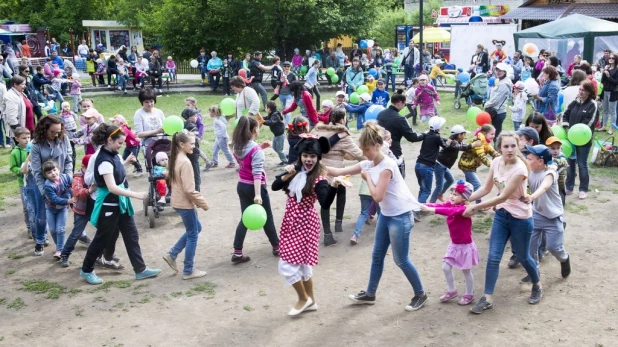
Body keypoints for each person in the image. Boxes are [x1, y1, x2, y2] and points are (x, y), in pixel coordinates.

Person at [327, 121, 427, 311]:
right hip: (387, 216)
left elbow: (377, 196)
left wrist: (366, 179)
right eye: (363, 150)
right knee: (377, 256)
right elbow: (339, 171)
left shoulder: (387, 166)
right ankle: (370, 294)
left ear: (377, 146)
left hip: (400, 217)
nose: (365, 154)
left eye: (367, 150)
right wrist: (317, 166)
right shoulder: (367, 163)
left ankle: (421, 294)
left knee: (401, 260)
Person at [80, 124, 161, 285]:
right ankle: (86, 270)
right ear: (109, 140)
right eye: (119, 143)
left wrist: (125, 164)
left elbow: (116, 173)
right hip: (109, 206)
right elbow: (112, 187)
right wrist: (136, 195)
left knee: (132, 236)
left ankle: (140, 269)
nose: (121, 145)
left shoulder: (114, 155)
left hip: (121, 205)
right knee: (101, 239)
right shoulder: (103, 160)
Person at [272, 135, 343, 316]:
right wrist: (288, 173)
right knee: (303, 266)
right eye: (305, 155)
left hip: (305, 224)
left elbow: (325, 204)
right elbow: (274, 186)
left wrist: (333, 185)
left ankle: (303, 299)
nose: (308, 159)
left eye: (312, 156)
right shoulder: (295, 172)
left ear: (318, 158)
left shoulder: (318, 180)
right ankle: (311, 302)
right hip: (291, 222)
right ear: (300, 156)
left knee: (287, 265)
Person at [161, 131, 210, 280]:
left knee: (195, 228)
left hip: (178, 201)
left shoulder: (176, 158)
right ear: (182, 144)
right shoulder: (185, 162)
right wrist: (203, 203)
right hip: (184, 203)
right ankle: (188, 270)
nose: (194, 147)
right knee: (193, 234)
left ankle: (172, 254)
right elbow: (189, 190)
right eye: (192, 144)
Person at [231, 116, 280, 263]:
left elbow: (246, 159)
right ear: (253, 130)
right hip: (255, 187)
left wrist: (261, 148)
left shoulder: (236, 146)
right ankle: (277, 246)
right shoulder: (256, 150)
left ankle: (237, 252)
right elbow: (256, 173)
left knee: (245, 219)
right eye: (257, 126)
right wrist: (258, 194)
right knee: (268, 218)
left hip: (242, 186)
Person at [421, 180, 479, 306]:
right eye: (451, 193)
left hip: (465, 246)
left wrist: (431, 210)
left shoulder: (463, 209)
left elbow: (449, 212)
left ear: (464, 198)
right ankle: (452, 291)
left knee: (466, 271)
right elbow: (441, 206)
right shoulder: (451, 204)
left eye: (456, 194)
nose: (451, 196)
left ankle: (469, 294)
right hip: (454, 245)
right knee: (445, 267)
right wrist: (426, 205)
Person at [521, 145, 571, 283]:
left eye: (529, 158)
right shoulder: (529, 172)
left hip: (553, 218)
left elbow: (545, 186)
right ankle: (534, 271)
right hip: (536, 215)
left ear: (540, 161)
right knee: (530, 248)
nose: (526, 159)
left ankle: (564, 258)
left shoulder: (550, 173)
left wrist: (531, 197)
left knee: (553, 247)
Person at [315, 108, 365, 246]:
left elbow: (338, 152)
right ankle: (337, 225)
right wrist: (375, 158)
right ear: (342, 119)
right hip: (336, 171)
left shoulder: (320, 130)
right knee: (339, 193)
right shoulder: (342, 134)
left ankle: (328, 232)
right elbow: (358, 154)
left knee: (324, 201)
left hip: (319, 170)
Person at [29, 116, 73, 256]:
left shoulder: (63, 138)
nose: (56, 134)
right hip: (42, 183)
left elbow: (68, 160)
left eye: (59, 131)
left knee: (68, 209)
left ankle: (75, 237)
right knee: (42, 214)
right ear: (44, 129)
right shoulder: (36, 144)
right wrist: (45, 192)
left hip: (62, 182)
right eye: (53, 131)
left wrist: (67, 178)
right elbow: (36, 170)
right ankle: (40, 240)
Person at [563, 80, 598, 200]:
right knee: (570, 163)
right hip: (570, 139)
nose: (581, 92)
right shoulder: (574, 102)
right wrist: (567, 127)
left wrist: (576, 132)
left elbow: (590, 121)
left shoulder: (592, 104)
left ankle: (583, 189)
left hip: (584, 141)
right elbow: (565, 114)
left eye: (584, 90)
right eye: (580, 89)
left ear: (589, 92)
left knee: (582, 164)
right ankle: (569, 186)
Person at [377, 91, 424, 178]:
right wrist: (424, 135)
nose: (404, 106)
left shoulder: (380, 114)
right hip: (394, 151)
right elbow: (412, 137)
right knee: (398, 180)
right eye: (404, 104)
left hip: (379, 150)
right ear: (399, 103)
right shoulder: (400, 119)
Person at [59, 154, 94, 267]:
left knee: (105, 231)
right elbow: (77, 192)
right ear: (83, 167)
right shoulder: (78, 177)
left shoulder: (97, 174)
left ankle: (103, 254)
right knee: (76, 234)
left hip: (95, 209)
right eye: (89, 168)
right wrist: (89, 191)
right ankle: (64, 255)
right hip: (82, 211)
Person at [430, 125, 479, 203]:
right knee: (439, 186)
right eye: (464, 134)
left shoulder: (457, 141)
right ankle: (431, 203)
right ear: (459, 135)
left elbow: (463, 145)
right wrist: (473, 145)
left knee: (450, 179)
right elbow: (461, 147)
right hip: (439, 165)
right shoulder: (453, 142)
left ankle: (439, 194)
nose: (465, 136)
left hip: (444, 166)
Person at [42, 160, 74, 259]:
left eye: (54, 170)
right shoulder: (48, 185)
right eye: (49, 172)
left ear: (59, 169)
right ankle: (60, 246)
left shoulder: (66, 178)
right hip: (51, 209)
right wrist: (69, 200)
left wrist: (75, 199)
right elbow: (55, 199)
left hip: (62, 209)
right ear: (45, 175)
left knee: (60, 229)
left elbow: (73, 187)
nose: (53, 173)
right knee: (52, 230)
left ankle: (60, 250)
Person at [458, 124, 500, 198]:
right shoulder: (479, 143)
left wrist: (503, 159)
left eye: (494, 134)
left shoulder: (485, 142)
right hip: (467, 166)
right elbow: (482, 157)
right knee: (477, 185)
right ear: (484, 134)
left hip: (471, 166)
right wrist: (493, 165)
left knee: (468, 186)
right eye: (492, 134)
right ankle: (479, 203)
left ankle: (461, 198)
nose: (494, 136)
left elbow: (493, 152)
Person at [415, 117, 448, 204]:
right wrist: (450, 141)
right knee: (426, 191)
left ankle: (419, 207)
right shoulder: (437, 137)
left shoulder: (426, 134)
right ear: (438, 128)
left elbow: (440, 139)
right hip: (427, 167)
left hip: (418, 164)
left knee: (422, 188)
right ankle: (417, 209)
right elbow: (445, 146)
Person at [9, 127, 32, 237]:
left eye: (28, 137)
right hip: (23, 184)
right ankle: (29, 227)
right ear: (17, 139)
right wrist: (21, 171)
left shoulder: (33, 148)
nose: (27, 140)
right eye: (24, 138)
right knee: (26, 206)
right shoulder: (14, 153)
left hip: (34, 182)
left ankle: (37, 226)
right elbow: (13, 167)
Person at [485, 62, 512, 141]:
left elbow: (495, 100)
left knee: (496, 135)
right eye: (497, 70)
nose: (498, 72)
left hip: (498, 112)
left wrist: (486, 105)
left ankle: (498, 151)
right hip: (497, 111)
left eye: (501, 70)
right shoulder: (501, 80)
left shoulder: (504, 84)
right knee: (495, 133)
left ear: (505, 72)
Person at [208, 105, 235, 169]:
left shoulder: (217, 120)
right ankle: (215, 162)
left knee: (225, 150)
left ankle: (232, 162)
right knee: (215, 149)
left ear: (215, 113)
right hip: (219, 137)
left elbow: (223, 126)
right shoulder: (221, 117)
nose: (210, 114)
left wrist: (223, 136)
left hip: (222, 138)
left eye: (211, 112)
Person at [546, 136, 568, 206]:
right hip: (549, 183)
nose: (556, 151)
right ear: (547, 148)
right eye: (553, 148)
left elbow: (563, 162)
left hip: (560, 183)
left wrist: (554, 160)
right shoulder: (545, 157)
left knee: (560, 198)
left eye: (558, 148)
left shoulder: (561, 156)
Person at [263, 101, 287, 165]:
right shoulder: (271, 114)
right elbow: (267, 118)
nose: (265, 109)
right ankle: (285, 156)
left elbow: (271, 122)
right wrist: (261, 118)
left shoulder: (275, 115)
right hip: (276, 135)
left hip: (280, 135)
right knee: (274, 147)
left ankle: (285, 161)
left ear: (269, 109)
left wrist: (263, 122)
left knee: (279, 150)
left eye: (265, 107)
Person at [600, 53, 618, 134]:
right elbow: (602, 81)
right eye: (609, 58)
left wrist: (608, 76)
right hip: (605, 91)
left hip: (613, 92)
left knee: (612, 111)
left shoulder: (617, 70)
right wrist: (604, 72)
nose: (610, 59)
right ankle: (604, 126)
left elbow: (616, 83)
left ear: (616, 60)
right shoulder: (607, 68)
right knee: (605, 110)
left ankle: (612, 128)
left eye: (612, 58)